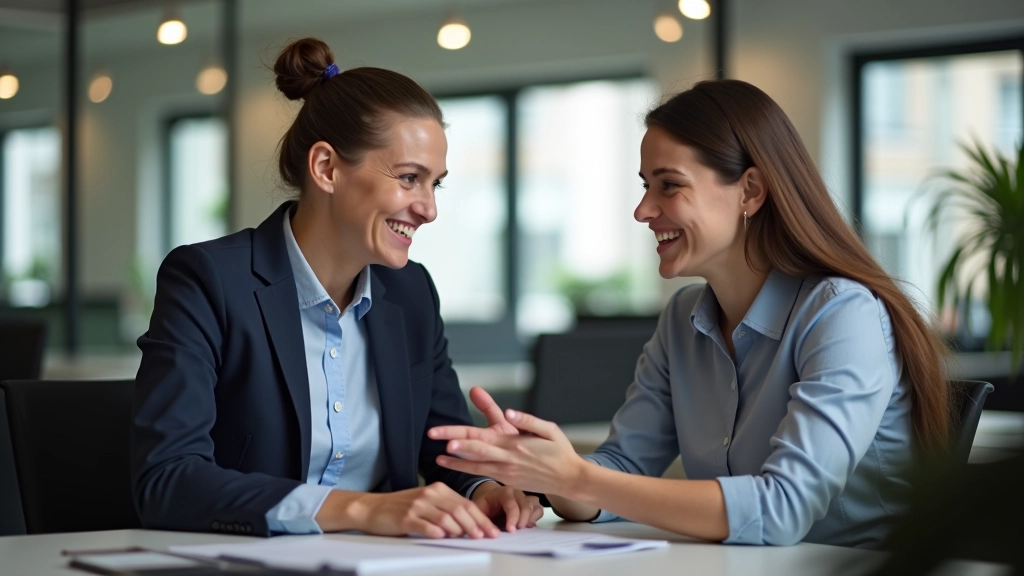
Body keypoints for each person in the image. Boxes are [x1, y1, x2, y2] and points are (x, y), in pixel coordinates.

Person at [429, 79, 951, 548]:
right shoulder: (683, 319)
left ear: (750, 190)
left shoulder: (843, 314)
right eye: (643, 185)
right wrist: (548, 469)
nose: (643, 210)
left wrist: (579, 479)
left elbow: (783, 509)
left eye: (669, 185)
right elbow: (620, 471)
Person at [131, 37, 542, 539]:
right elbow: (167, 480)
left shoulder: (411, 292)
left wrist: (481, 486)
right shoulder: (208, 281)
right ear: (326, 168)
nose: (429, 208)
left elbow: (440, 445)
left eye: (436, 184)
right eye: (410, 178)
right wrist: (362, 510)